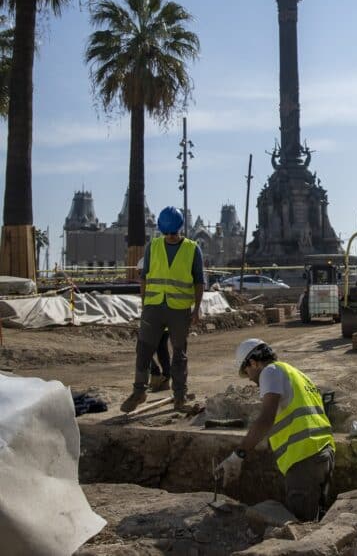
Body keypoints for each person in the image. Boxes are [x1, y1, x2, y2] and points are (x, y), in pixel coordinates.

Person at [215, 338, 335, 521]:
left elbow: (266, 419)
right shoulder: (298, 375)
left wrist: (238, 455)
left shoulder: (269, 372)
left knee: (301, 526)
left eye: (246, 371)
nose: (249, 377)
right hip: (324, 453)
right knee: (317, 518)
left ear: (253, 363)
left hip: (304, 458)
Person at [120, 206, 204, 413]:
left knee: (179, 354)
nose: (170, 237)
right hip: (154, 307)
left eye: (173, 233)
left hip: (179, 309)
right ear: (161, 231)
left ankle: (179, 396)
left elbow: (199, 282)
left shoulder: (192, 249)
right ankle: (139, 391)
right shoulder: (153, 246)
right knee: (143, 350)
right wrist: (145, 303)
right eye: (167, 233)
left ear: (180, 229)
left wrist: (197, 309)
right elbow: (145, 277)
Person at [136, 257, 171, 392]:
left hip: (155, 320)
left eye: (140, 272)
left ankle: (156, 374)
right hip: (165, 319)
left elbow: (149, 303)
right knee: (162, 349)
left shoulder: (150, 283)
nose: (139, 276)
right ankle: (165, 379)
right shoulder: (161, 280)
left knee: (142, 349)